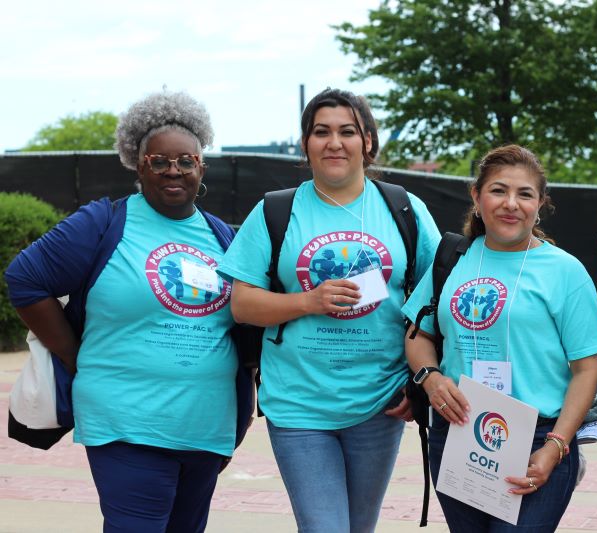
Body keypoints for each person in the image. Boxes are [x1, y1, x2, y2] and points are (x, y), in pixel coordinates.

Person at [5, 90, 253, 532]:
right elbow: (25, 279)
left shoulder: (222, 237)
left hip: (207, 425)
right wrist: (72, 354)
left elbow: (247, 315)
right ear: (139, 166)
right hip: (126, 422)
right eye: (159, 161)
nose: (173, 171)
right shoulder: (103, 223)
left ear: (202, 167)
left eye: (186, 161)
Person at [216, 88, 441, 532]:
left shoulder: (404, 209)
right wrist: (309, 301)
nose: (334, 142)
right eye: (321, 132)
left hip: (382, 402)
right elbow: (241, 305)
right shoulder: (276, 211)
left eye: (347, 131)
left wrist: (421, 385)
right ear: (305, 144)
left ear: (368, 142)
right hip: (299, 403)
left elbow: (439, 299)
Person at [402, 144, 597, 532]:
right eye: (499, 191)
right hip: (457, 430)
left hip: (537, 436)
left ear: (540, 204)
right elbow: (418, 334)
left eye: (525, 194)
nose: (510, 204)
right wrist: (430, 378)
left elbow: (588, 369)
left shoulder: (563, 271)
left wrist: (556, 446)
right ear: (476, 196)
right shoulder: (453, 258)